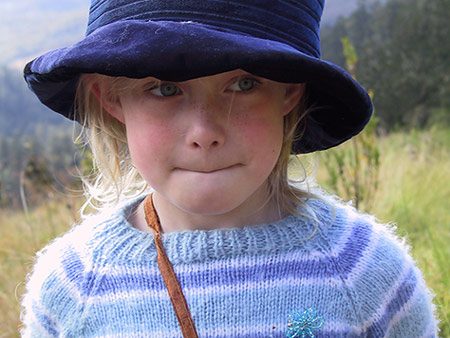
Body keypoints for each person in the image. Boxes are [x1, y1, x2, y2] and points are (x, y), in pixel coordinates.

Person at [20, 1, 438, 337]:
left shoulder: (364, 270)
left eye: (244, 84)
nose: (205, 132)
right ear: (111, 97)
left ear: (290, 91)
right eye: (165, 89)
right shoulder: (73, 283)